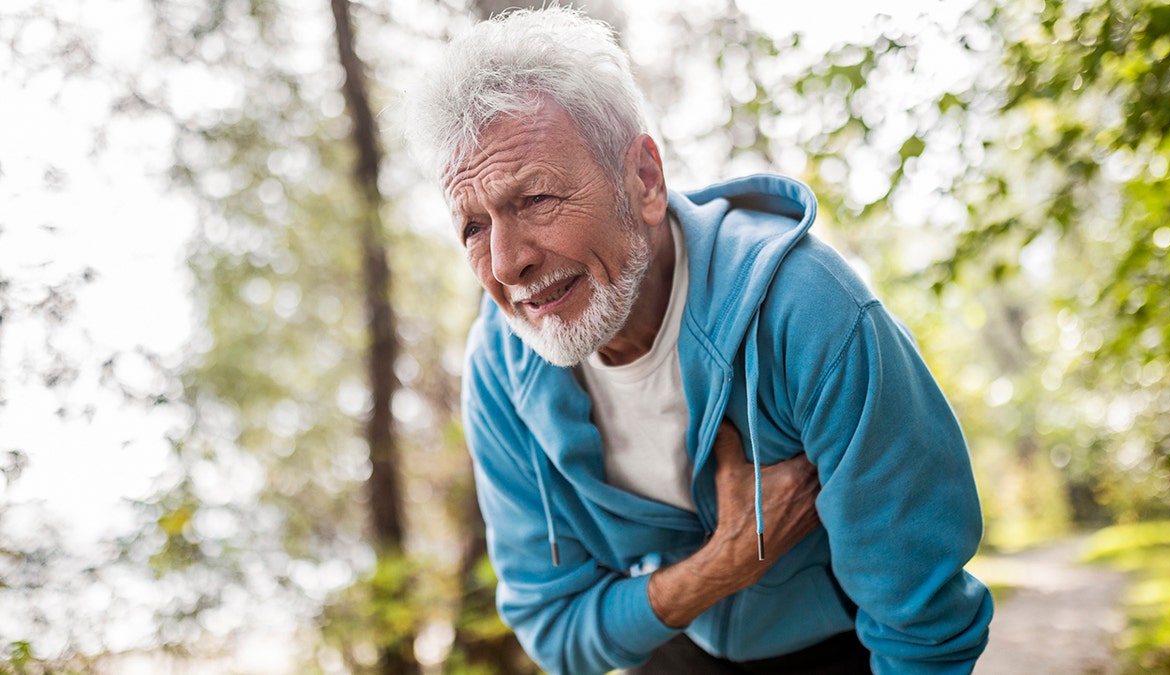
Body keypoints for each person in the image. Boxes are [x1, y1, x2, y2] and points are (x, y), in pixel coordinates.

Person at [405, 7, 992, 675]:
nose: (508, 263)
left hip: (848, 639)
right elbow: (554, 627)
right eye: (473, 227)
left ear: (644, 180)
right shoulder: (498, 370)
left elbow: (922, 620)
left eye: (536, 198)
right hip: (674, 639)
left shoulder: (808, 309)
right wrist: (727, 562)